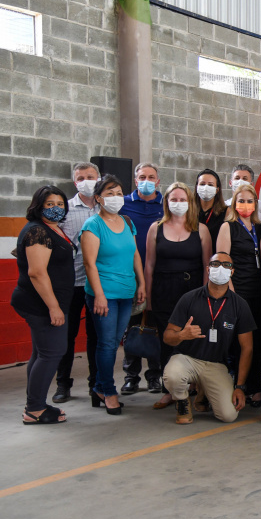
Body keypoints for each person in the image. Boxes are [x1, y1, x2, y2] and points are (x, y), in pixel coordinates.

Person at [162, 252, 256, 424]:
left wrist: (240, 387)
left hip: (216, 364)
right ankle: (182, 401)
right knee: (172, 376)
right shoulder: (189, 298)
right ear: (208, 269)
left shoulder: (240, 305)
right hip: (187, 359)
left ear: (232, 272)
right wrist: (182, 335)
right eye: (215, 264)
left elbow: (247, 348)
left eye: (226, 265)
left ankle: (203, 392)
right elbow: (167, 337)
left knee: (228, 415)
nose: (220, 268)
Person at [144, 182, 211, 410]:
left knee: (193, 338)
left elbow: (207, 265)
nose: (178, 203)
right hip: (163, 290)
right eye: (174, 199)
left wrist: (205, 296)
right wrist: (148, 297)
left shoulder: (201, 230)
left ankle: (193, 386)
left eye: (183, 200)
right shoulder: (156, 228)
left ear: (190, 203)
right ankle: (169, 391)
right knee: (167, 340)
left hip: (193, 291)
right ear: (166, 202)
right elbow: (149, 265)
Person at [11, 186, 75, 424]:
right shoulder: (38, 231)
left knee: (41, 353)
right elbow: (37, 273)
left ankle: (35, 403)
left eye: (60, 204)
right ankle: (35, 409)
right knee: (52, 353)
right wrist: (54, 307)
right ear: (38, 206)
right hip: (41, 304)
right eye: (50, 204)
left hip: (47, 302)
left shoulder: (51, 228)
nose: (56, 208)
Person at [82, 175, 145, 415]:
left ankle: (99, 387)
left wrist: (141, 283)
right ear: (98, 198)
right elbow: (89, 264)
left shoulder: (127, 222)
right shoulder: (93, 225)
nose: (116, 198)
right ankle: (108, 391)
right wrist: (99, 295)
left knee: (115, 342)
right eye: (110, 193)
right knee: (107, 344)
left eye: (119, 193)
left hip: (126, 292)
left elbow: (135, 255)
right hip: (104, 294)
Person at [53, 162, 99, 403]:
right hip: (70, 283)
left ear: (99, 178)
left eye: (90, 176)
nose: (86, 181)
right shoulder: (65, 209)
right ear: (75, 183)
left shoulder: (107, 207)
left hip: (98, 284)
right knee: (66, 336)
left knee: (96, 337)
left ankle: (95, 383)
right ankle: (63, 384)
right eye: (81, 178)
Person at [217, 184, 261, 408]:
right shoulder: (228, 227)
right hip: (238, 290)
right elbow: (222, 261)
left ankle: (256, 388)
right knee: (239, 342)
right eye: (241, 201)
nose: (245, 205)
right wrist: (231, 293)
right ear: (234, 203)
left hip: (259, 291)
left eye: (249, 201)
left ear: (255, 203)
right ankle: (240, 385)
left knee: (258, 341)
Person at [119, 162, 164, 395]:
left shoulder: (166, 205)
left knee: (154, 325)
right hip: (131, 275)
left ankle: (154, 376)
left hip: (159, 275)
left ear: (158, 181)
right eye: (142, 177)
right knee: (132, 326)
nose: (147, 181)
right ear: (136, 180)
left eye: (151, 177)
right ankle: (131, 376)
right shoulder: (123, 204)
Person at [195, 169, 227, 254]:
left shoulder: (226, 212)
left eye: (210, 185)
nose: (206, 188)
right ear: (197, 187)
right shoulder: (188, 210)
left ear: (217, 189)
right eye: (202, 184)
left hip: (215, 257)